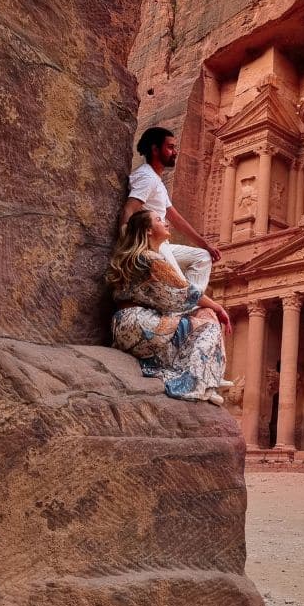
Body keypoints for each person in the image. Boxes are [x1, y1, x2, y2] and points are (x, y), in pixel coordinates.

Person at [106, 210, 232, 405]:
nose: (165, 223)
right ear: (148, 231)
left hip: (124, 326)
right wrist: (218, 308)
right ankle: (197, 382)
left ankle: (204, 379)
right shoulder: (151, 259)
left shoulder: (137, 257)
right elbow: (186, 292)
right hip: (142, 326)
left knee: (197, 319)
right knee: (209, 325)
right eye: (159, 220)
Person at [120, 126, 221, 290]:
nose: (175, 152)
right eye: (170, 147)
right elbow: (128, 209)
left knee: (202, 257)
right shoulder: (147, 178)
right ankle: (185, 302)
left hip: (162, 243)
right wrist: (126, 248)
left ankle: (187, 303)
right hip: (150, 244)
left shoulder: (156, 180)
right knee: (180, 284)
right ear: (155, 149)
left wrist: (205, 245)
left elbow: (176, 219)